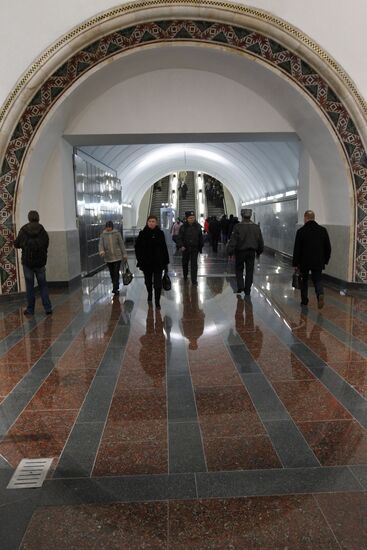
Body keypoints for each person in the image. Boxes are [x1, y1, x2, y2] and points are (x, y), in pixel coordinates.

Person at [14, 210, 52, 316]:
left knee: (30, 286)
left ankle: (30, 310)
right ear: (38, 218)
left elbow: (17, 244)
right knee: (43, 285)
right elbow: (46, 243)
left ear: (29, 218)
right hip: (40, 263)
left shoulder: (24, 230)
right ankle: (48, 308)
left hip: (27, 263)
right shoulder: (42, 230)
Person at [292, 210, 331, 308]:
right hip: (318, 261)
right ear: (314, 218)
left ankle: (304, 301)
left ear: (305, 218)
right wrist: (325, 260)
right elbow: (328, 247)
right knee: (317, 279)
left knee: (304, 280)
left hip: (304, 262)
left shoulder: (301, 231)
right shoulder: (322, 230)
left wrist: (296, 264)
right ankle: (320, 293)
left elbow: (297, 249)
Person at [135, 215, 169, 309]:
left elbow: (164, 248)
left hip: (158, 263)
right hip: (146, 263)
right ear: (147, 222)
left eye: (153, 221)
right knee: (148, 282)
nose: (151, 223)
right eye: (149, 221)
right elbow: (137, 248)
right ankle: (150, 293)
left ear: (156, 223)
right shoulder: (142, 233)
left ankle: (157, 302)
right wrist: (140, 259)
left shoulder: (160, 233)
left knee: (158, 284)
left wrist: (166, 263)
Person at [227, 208, 264, 296]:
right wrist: (259, 251)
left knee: (239, 269)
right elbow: (260, 241)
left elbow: (233, 241)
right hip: (251, 252)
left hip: (240, 252)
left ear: (242, 215)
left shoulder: (238, 227)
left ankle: (240, 285)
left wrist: (230, 252)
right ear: (250, 215)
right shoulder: (256, 227)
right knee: (250, 271)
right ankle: (248, 289)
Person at [99, 221, 128, 296]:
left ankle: (115, 287)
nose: (108, 229)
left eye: (110, 227)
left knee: (116, 272)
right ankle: (114, 284)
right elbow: (101, 244)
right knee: (112, 273)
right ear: (105, 227)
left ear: (112, 227)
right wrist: (101, 251)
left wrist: (124, 254)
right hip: (108, 257)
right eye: (107, 227)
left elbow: (121, 244)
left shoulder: (117, 234)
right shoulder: (103, 235)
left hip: (117, 257)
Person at [176, 210, 204, 286]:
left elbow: (201, 237)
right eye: (190, 218)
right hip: (185, 248)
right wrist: (181, 246)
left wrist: (200, 246)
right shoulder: (183, 227)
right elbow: (179, 238)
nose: (192, 219)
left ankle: (194, 281)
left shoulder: (198, 226)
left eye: (193, 218)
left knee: (194, 265)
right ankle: (185, 276)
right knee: (185, 263)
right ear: (187, 218)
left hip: (195, 249)